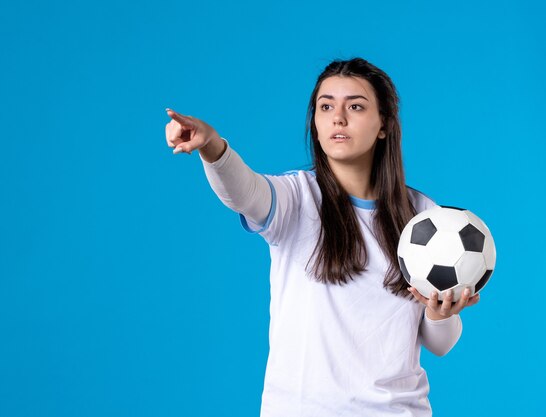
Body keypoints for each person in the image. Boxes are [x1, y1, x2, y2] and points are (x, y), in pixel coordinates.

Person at [164, 57, 480, 417]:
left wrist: (441, 316)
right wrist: (213, 148)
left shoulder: (424, 215)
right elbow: (245, 191)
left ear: (384, 125)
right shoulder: (295, 198)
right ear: (314, 123)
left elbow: (440, 345)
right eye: (326, 106)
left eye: (356, 106)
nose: (338, 118)